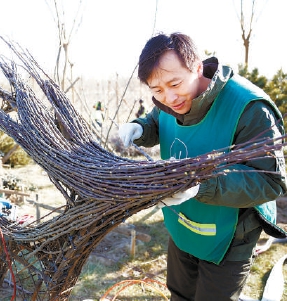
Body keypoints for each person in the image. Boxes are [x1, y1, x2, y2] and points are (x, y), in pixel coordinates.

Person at [119, 32, 286, 301]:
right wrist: (140, 128)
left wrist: (202, 184)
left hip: (230, 234)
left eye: (175, 83)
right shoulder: (168, 101)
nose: (170, 98)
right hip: (184, 223)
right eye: (157, 90)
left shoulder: (249, 108)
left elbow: (270, 181)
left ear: (197, 67)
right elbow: (157, 119)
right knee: (179, 295)